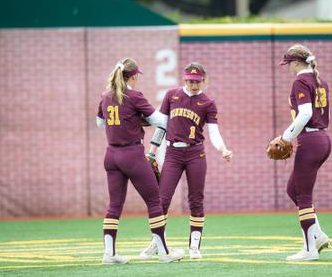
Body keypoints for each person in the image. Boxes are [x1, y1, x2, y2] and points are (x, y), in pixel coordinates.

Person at [139, 62, 233, 260]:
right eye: (190, 81)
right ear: (184, 79)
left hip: (195, 154)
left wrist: (223, 149)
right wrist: (152, 151)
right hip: (173, 153)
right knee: (162, 199)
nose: (193, 85)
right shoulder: (171, 95)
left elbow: (213, 132)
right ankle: (157, 244)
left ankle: (195, 246)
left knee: (196, 200)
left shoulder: (207, 102)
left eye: (197, 81)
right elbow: (161, 125)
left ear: (203, 80)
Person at [96, 57, 185, 264]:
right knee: (154, 201)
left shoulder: (105, 96)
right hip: (132, 154)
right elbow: (159, 121)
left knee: (114, 205)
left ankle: (109, 254)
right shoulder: (134, 96)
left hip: (111, 155)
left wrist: (132, 119)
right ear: (133, 76)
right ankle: (164, 252)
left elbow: (101, 124)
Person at [278, 44, 331, 261]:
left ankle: (309, 250)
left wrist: (285, 137)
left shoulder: (300, 80)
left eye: (288, 63)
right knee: (293, 190)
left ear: (297, 62)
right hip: (321, 138)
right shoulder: (320, 80)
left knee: (303, 195)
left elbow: (305, 113)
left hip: (310, 139)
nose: (288, 67)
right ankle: (317, 235)